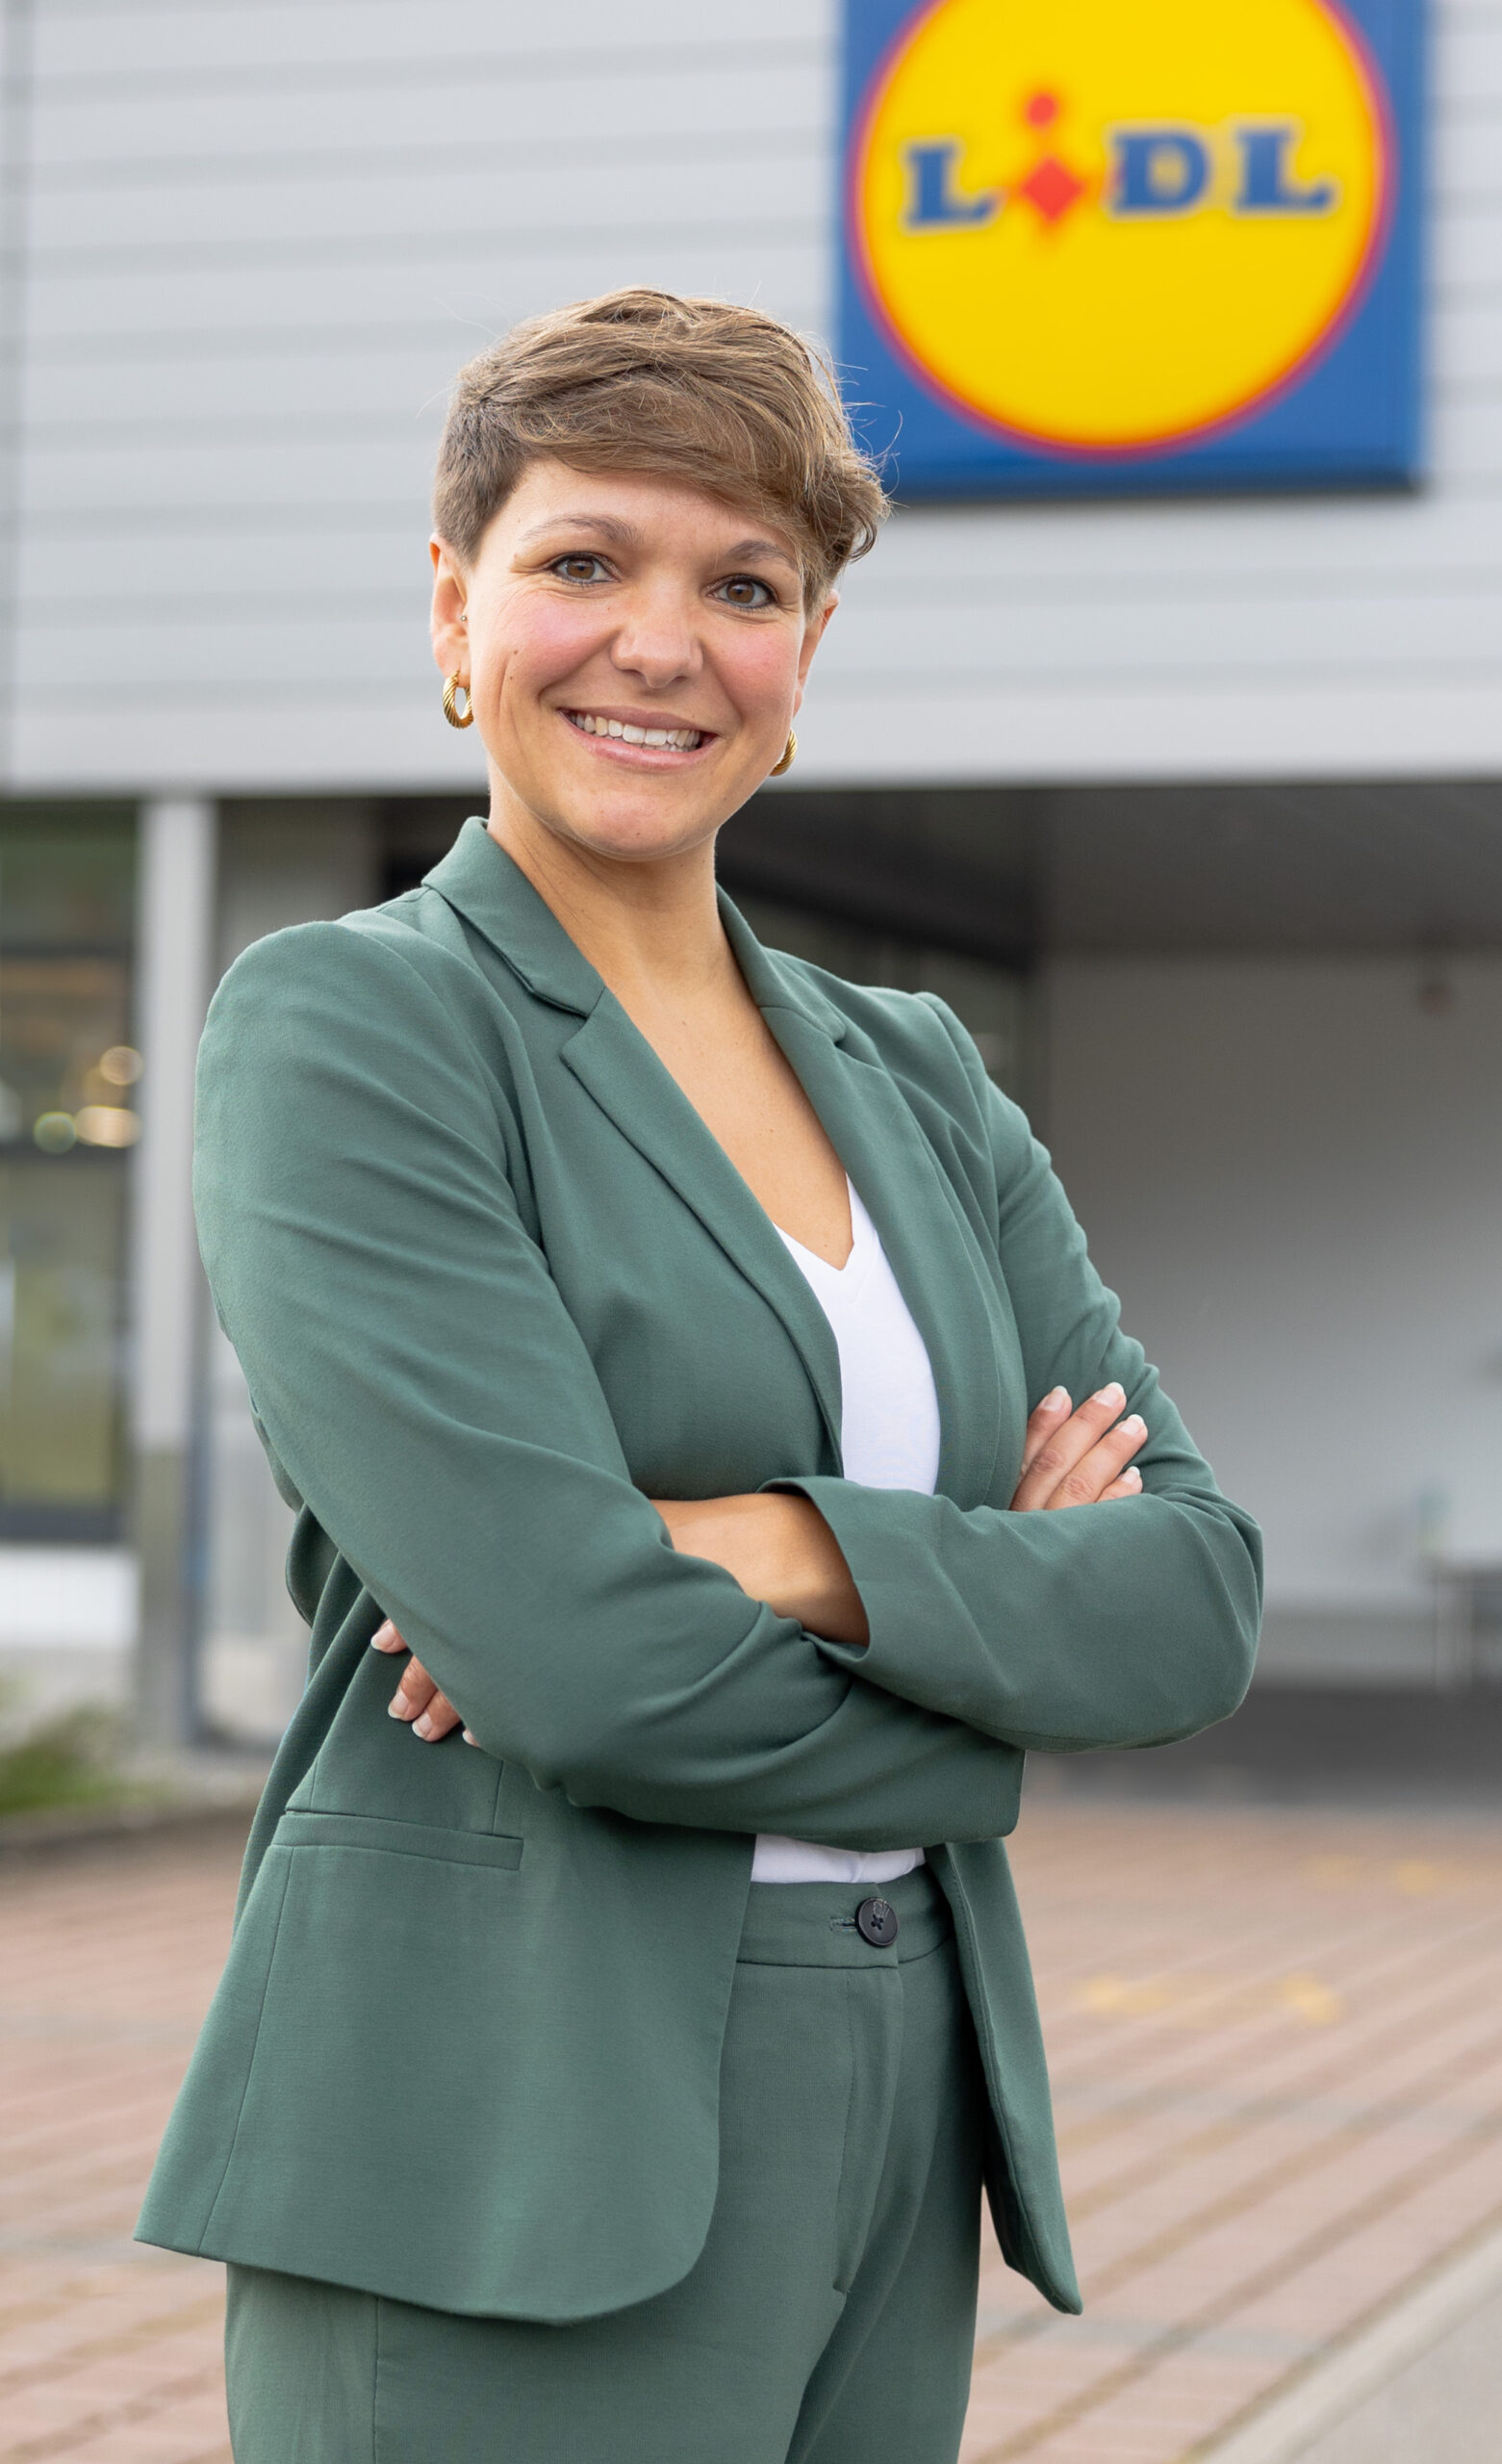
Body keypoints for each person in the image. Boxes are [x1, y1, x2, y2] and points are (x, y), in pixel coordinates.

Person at [137, 288, 1261, 2464]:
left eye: (743, 586)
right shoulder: (359, 1026)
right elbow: (578, 1666)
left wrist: (776, 1548)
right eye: (583, 561)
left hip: (906, 2089)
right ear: (456, 610)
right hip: (506, 2122)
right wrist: (982, 1691)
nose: (660, 644)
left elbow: (1192, 1593)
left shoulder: (916, 1072)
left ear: (804, 657)